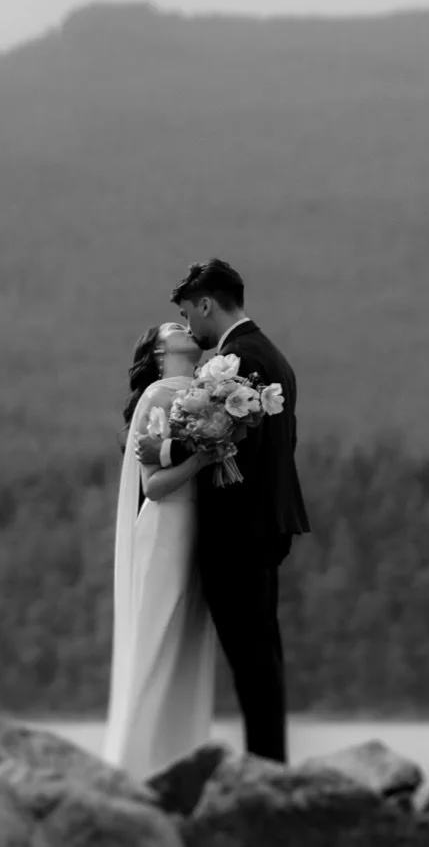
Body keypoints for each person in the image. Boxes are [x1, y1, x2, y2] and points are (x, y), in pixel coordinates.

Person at [135, 259, 311, 763]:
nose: (190, 328)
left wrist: (165, 453)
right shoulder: (271, 357)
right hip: (265, 526)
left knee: (251, 656)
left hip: (238, 532)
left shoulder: (238, 363)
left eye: (190, 314)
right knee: (262, 652)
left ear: (207, 304)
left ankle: (266, 764)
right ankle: (270, 759)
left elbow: (226, 439)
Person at [103, 320, 219, 778]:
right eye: (175, 328)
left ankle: (176, 756)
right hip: (166, 531)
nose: (186, 328)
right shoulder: (159, 397)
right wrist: (204, 457)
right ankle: (135, 764)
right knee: (156, 642)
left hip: (198, 529)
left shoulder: (208, 390)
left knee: (187, 642)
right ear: (157, 353)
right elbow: (153, 487)